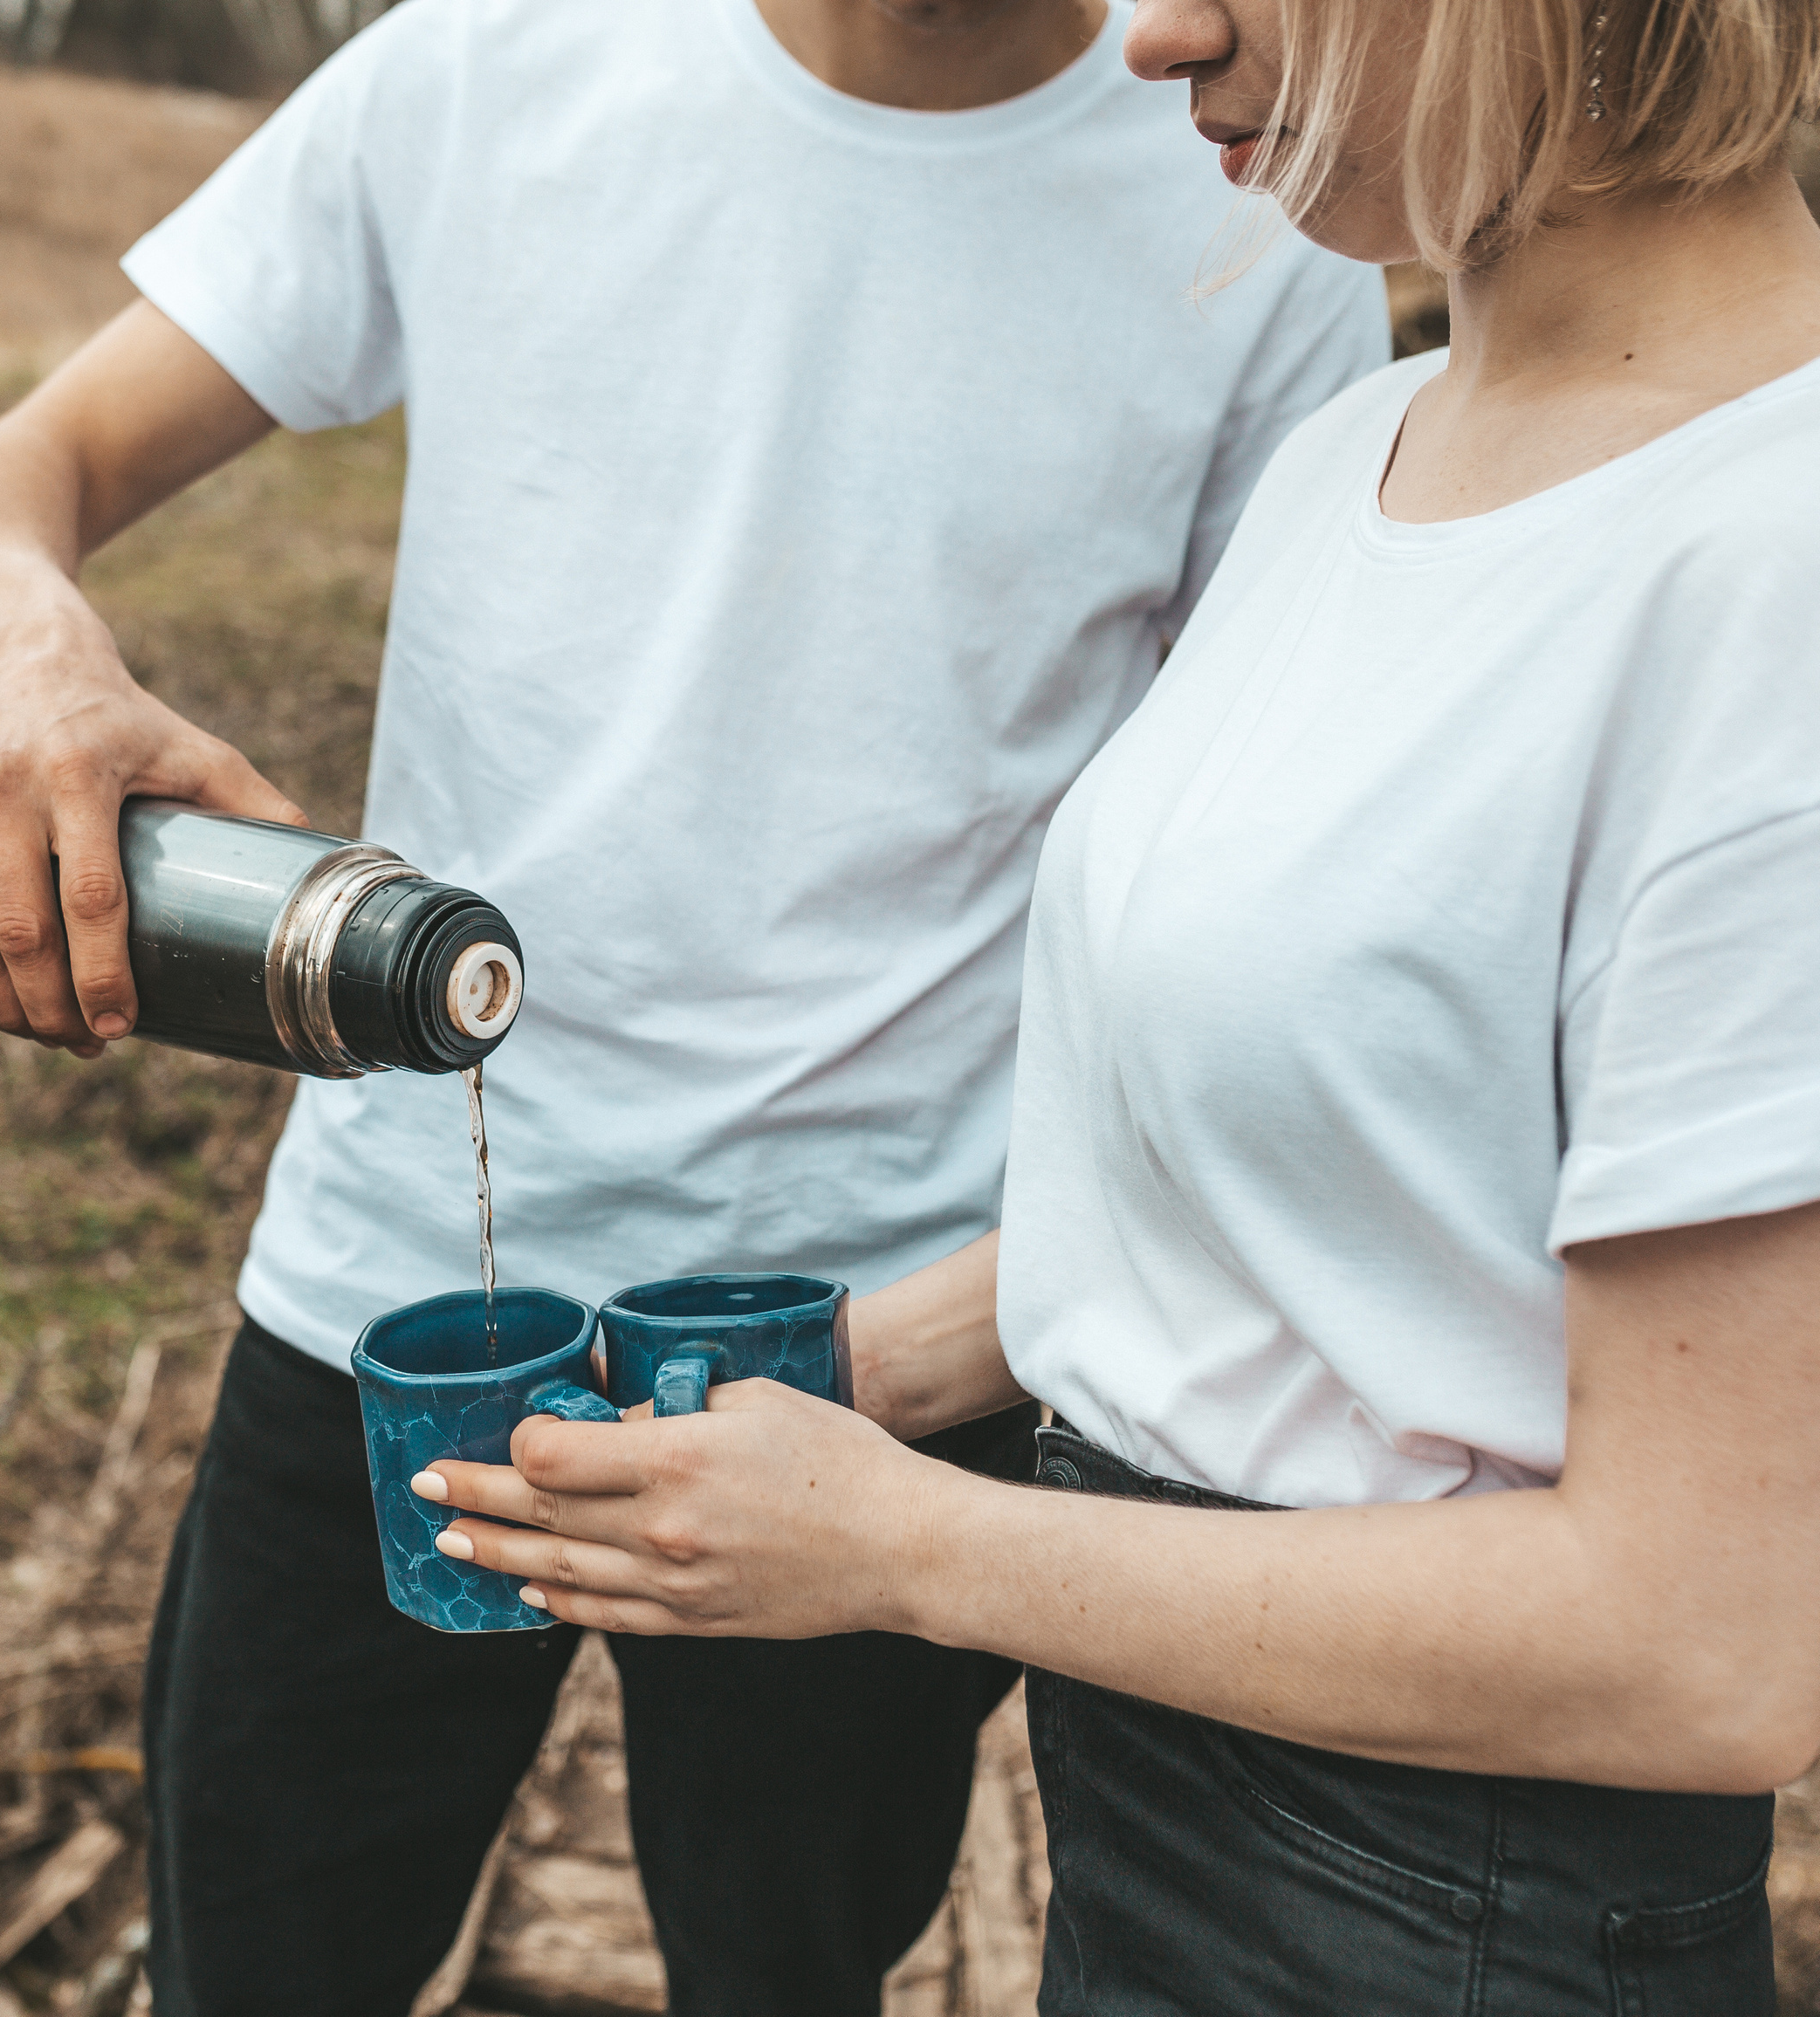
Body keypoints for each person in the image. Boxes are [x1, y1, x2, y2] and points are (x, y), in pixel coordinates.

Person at [0, 0, 1384, 2007]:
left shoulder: (1254, 205)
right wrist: (24, 649)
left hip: (871, 1365)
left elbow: (1233, 849)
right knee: (261, 1963)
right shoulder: (488, 63)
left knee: (787, 1967)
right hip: (392, 1294)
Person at [414, 0, 1820, 2010]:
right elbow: (1317, 1181)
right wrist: (854, 1372)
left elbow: (1699, 1647)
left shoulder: (1770, 568)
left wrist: (908, 1549)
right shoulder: (1363, 447)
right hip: (1167, 1817)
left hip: (1449, 1913)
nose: (1155, 29)